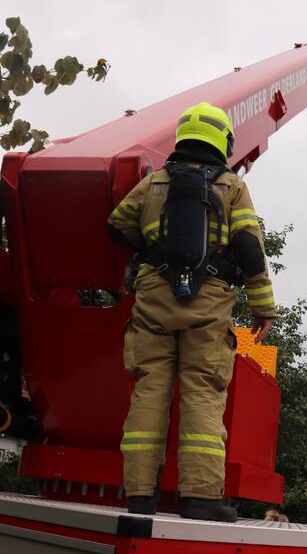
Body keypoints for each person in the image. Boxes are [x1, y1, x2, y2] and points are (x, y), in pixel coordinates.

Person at [108, 102, 276, 524]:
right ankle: (200, 498)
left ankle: (140, 496)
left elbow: (116, 225)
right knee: (203, 393)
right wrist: (263, 305)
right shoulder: (232, 186)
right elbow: (249, 247)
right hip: (208, 305)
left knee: (149, 393)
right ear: (222, 140)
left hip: (153, 301)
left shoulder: (154, 183)